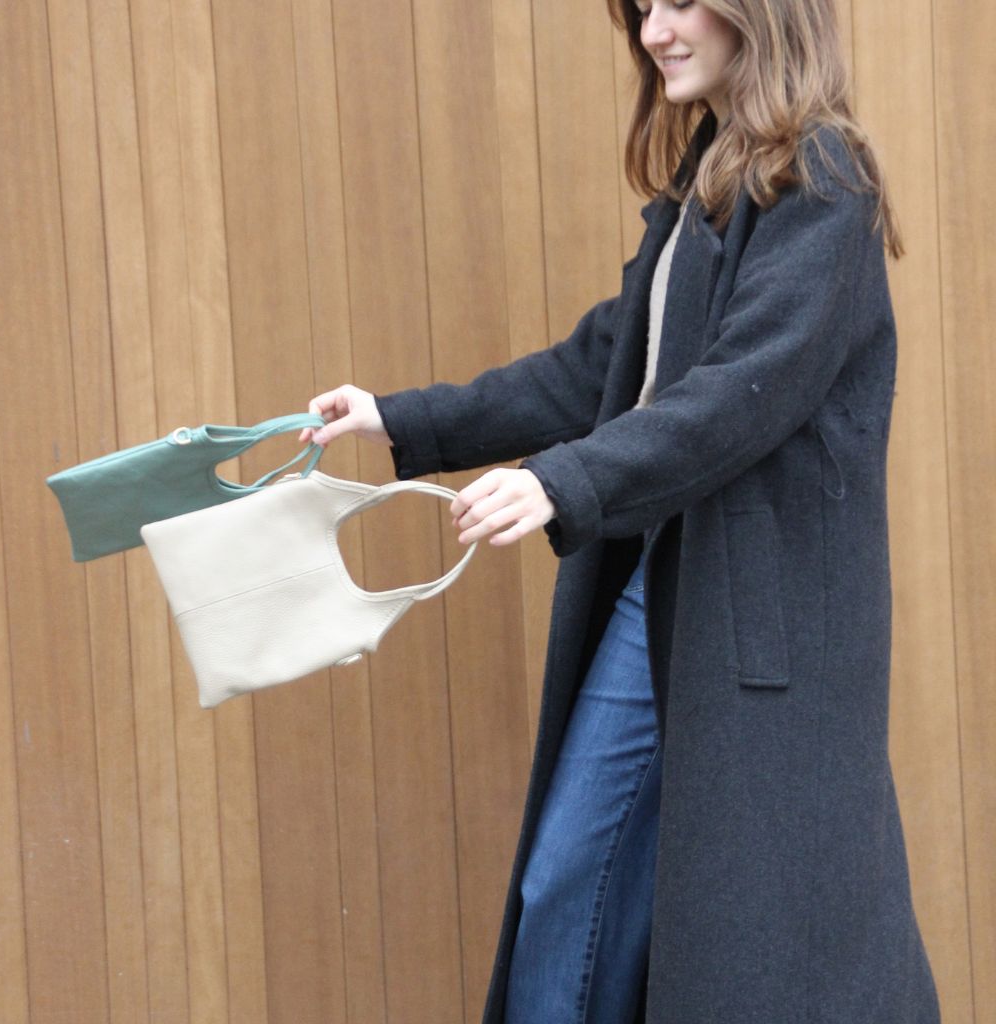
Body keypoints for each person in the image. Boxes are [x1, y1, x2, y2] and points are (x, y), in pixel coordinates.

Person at [300, 0, 941, 1020]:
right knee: (587, 883)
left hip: (748, 623)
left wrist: (562, 481)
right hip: (674, 588)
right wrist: (398, 418)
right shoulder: (715, 171)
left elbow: (742, 392)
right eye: (645, 6)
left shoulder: (820, 176)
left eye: (683, 3)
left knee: (740, 930)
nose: (655, 29)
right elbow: (606, 368)